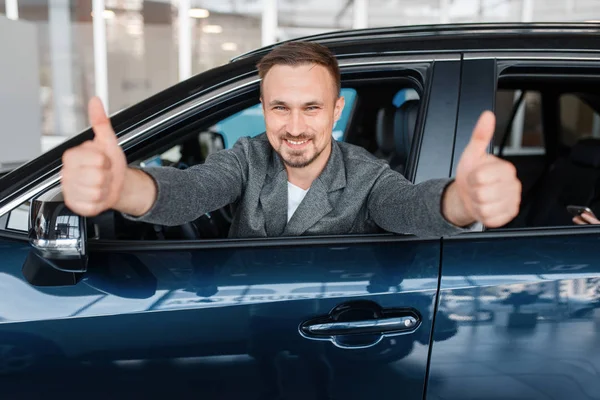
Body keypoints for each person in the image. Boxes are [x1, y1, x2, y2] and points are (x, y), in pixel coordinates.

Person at [60, 41, 521, 238]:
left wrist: (464, 200)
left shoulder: (366, 175)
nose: (295, 127)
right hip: (250, 331)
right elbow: (192, 190)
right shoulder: (246, 158)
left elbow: (412, 206)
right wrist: (123, 188)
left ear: (336, 111)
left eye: (312, 108)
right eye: (280, 107)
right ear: (263, 109)